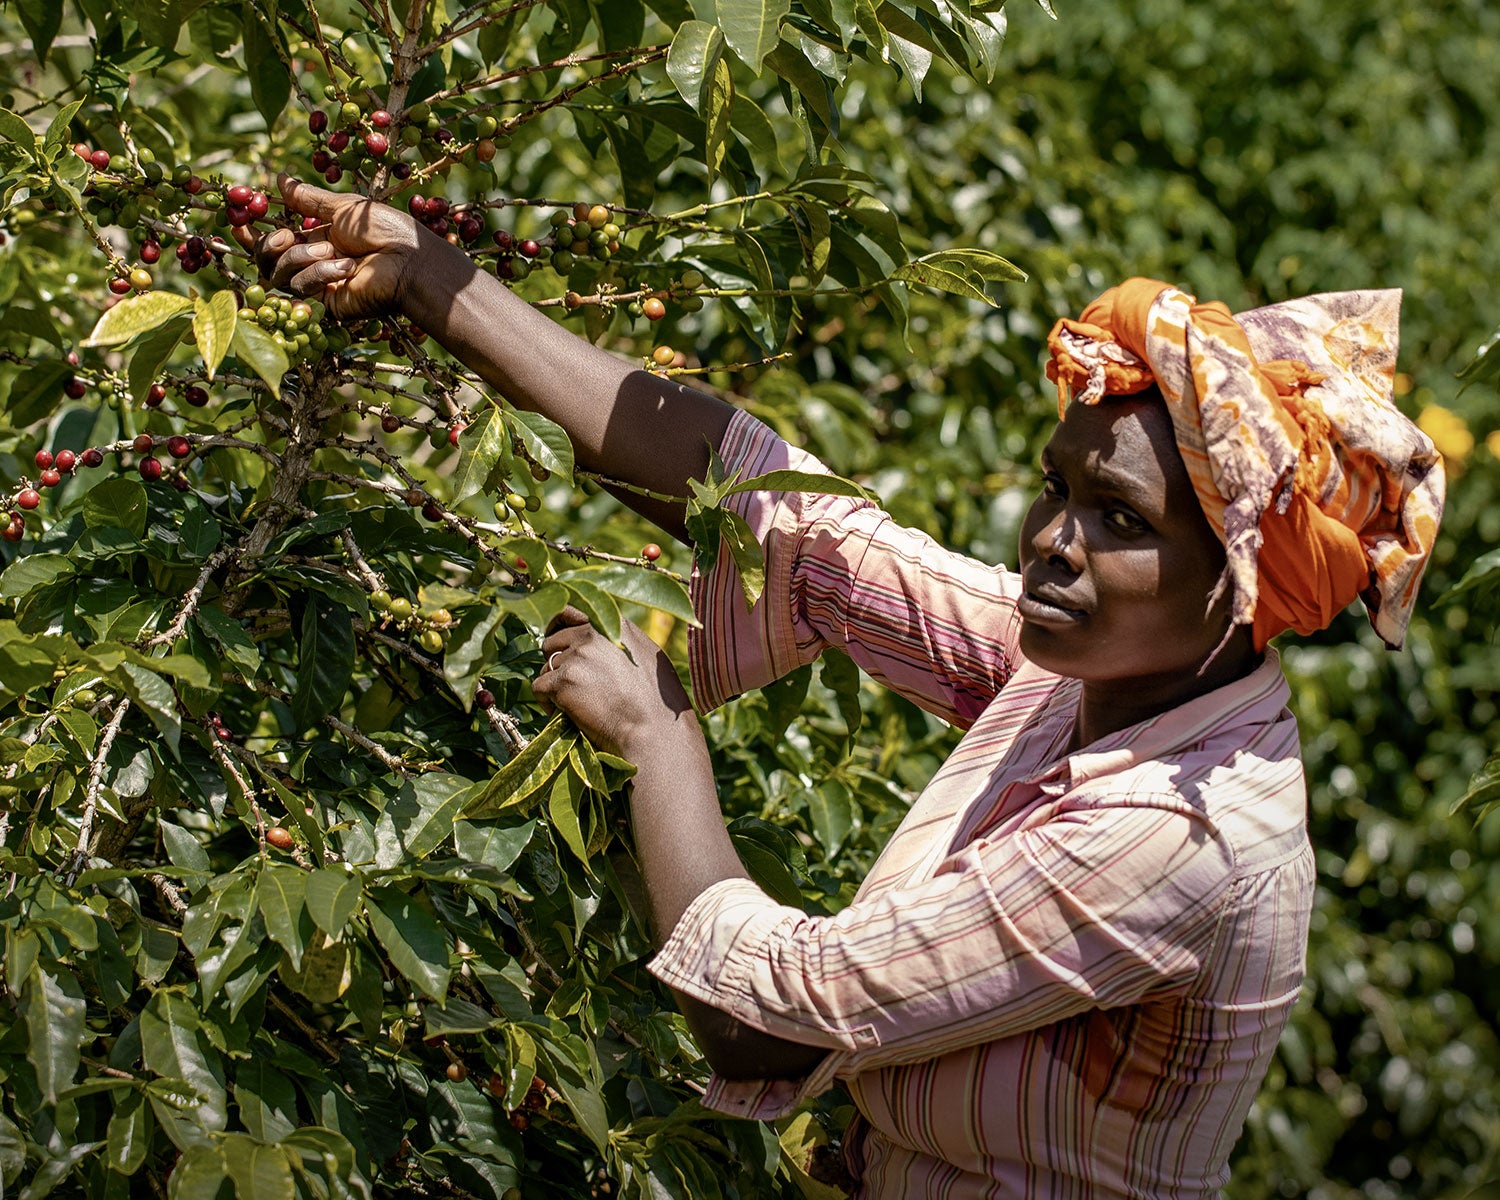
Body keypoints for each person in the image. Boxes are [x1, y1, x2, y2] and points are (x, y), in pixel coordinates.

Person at [258, 181, 1446, 1198]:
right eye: (1058, 489)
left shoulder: (1180, 833)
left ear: (1240, 588)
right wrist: (438, 283)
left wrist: (658, 739)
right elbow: (803, 526)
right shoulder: (1103, 671)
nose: (1053, 540)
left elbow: (770, 1019)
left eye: (1119, 521)